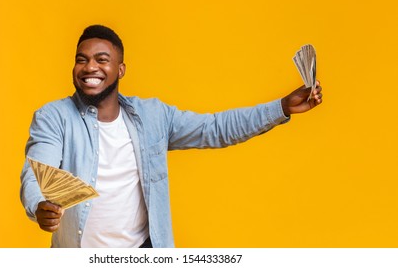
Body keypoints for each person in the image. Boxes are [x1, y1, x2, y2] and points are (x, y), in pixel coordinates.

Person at [20, 25, 323, 248]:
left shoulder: (152, 116)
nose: (90, 68)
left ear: (120, 69)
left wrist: (280, 107)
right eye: (81, 59)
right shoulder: (53, 117)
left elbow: (215, 128)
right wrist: (39, 207)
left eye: (102, 59)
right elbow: (36, 174)